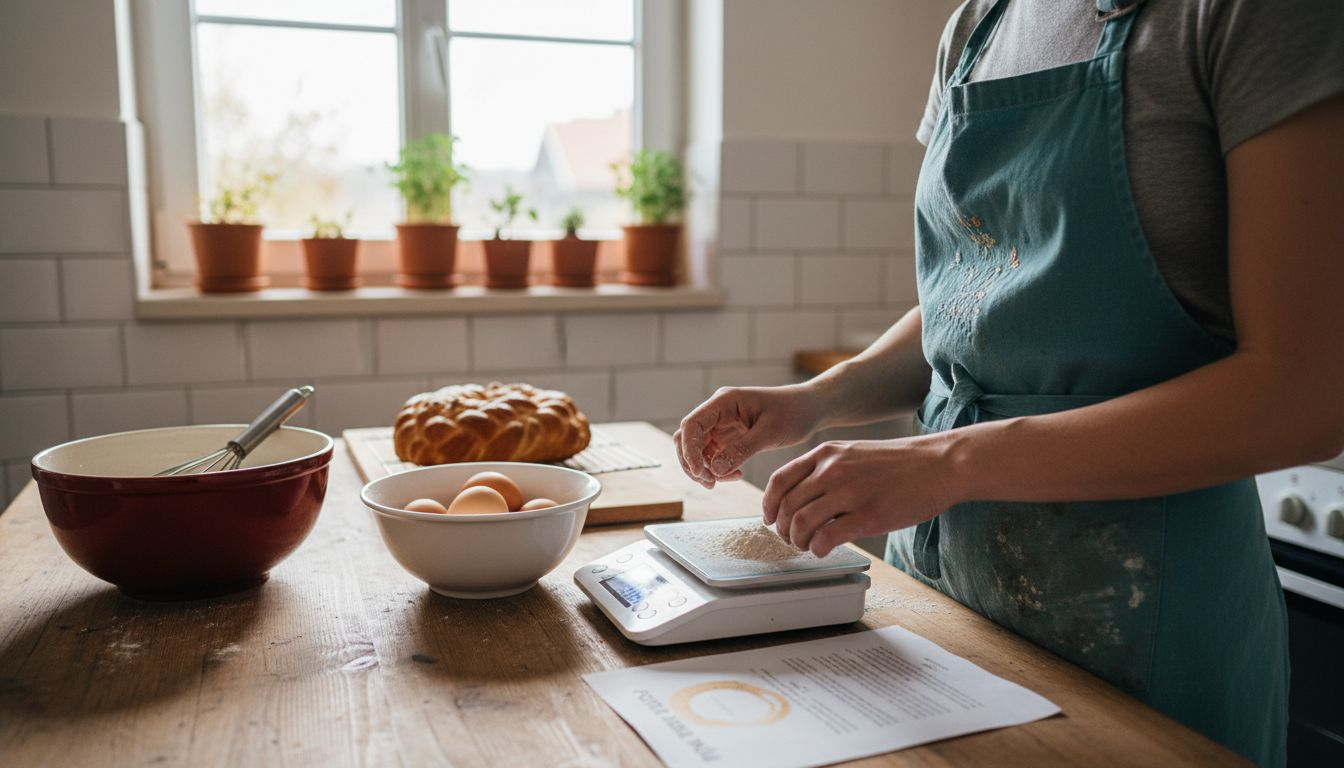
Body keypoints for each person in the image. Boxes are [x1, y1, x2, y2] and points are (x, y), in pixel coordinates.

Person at [674, 0, 1344, 764]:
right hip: (947, 599)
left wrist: (950, 462)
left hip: (1146, 622)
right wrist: (817, 401)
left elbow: (1305, 395)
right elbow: (973, 299)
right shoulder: (976, 26)